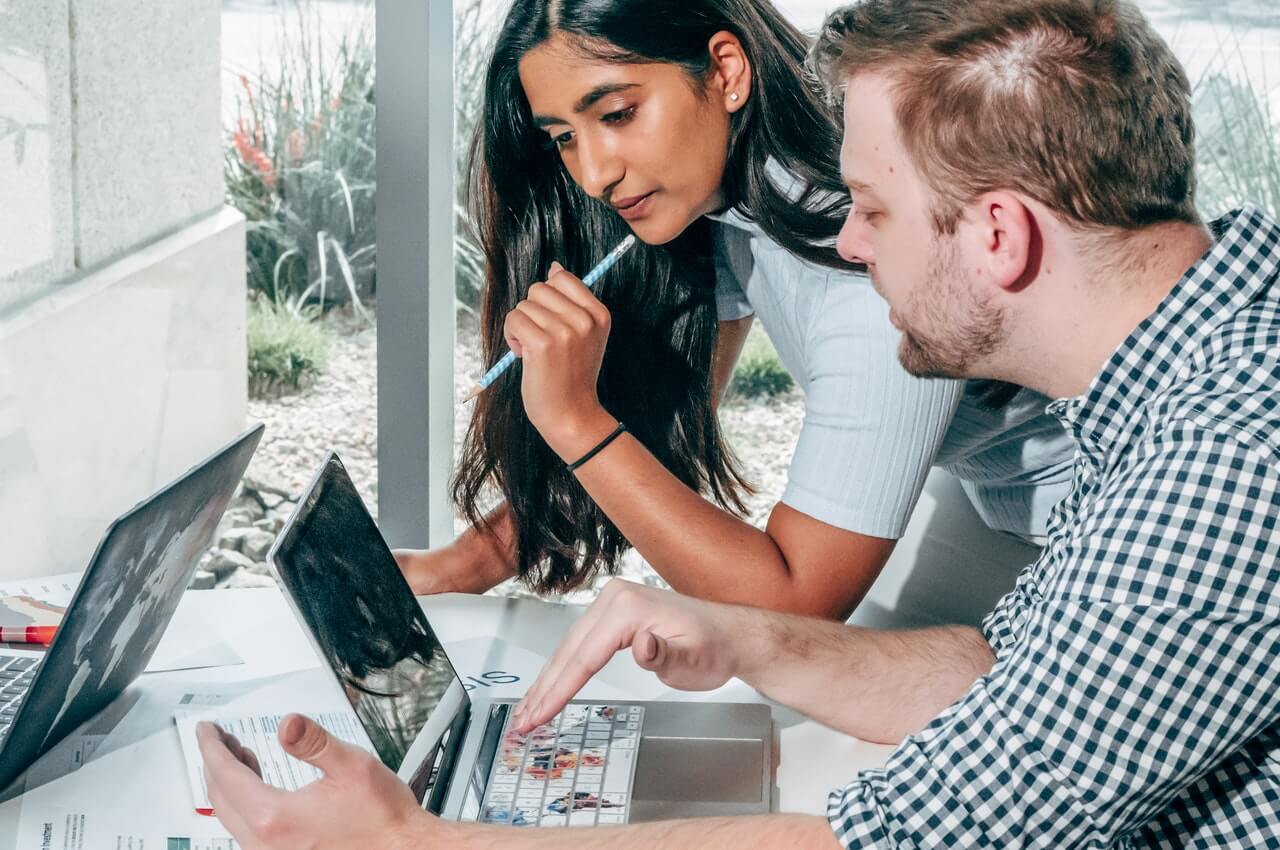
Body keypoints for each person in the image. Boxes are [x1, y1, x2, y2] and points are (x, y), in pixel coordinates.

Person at [199, 0, 1280, 846]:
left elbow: (923, 827)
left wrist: (417, 844)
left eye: (873, 211)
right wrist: (738, 637)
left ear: (996, 233)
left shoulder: (1218, 462)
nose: (849, 245)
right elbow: (1007, 671)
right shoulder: (1170, 380)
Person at [394, 0, 1076, 626]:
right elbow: (658, 420)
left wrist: (573, 418)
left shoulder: (868, 263)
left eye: (617, 114)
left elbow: (796, 605)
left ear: (726, 71)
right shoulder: (731, 198)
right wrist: (463, 565)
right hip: (986, 504)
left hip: (1091, 543)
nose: (595, 173)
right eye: (563, 138)